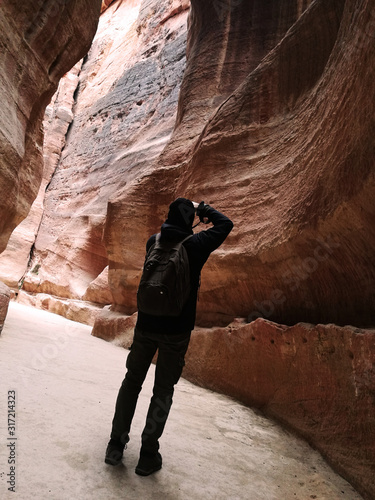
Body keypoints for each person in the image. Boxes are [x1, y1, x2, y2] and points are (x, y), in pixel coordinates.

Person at [105, 197, 233, 475]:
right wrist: (205, 210)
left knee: (131, 382)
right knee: (162, 391)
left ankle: (115, 445)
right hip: (176, 331)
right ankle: (148, 454)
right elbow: (226, 224)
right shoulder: (196, 245)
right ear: (191, 220)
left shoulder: (154, 241)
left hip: (145, 326)